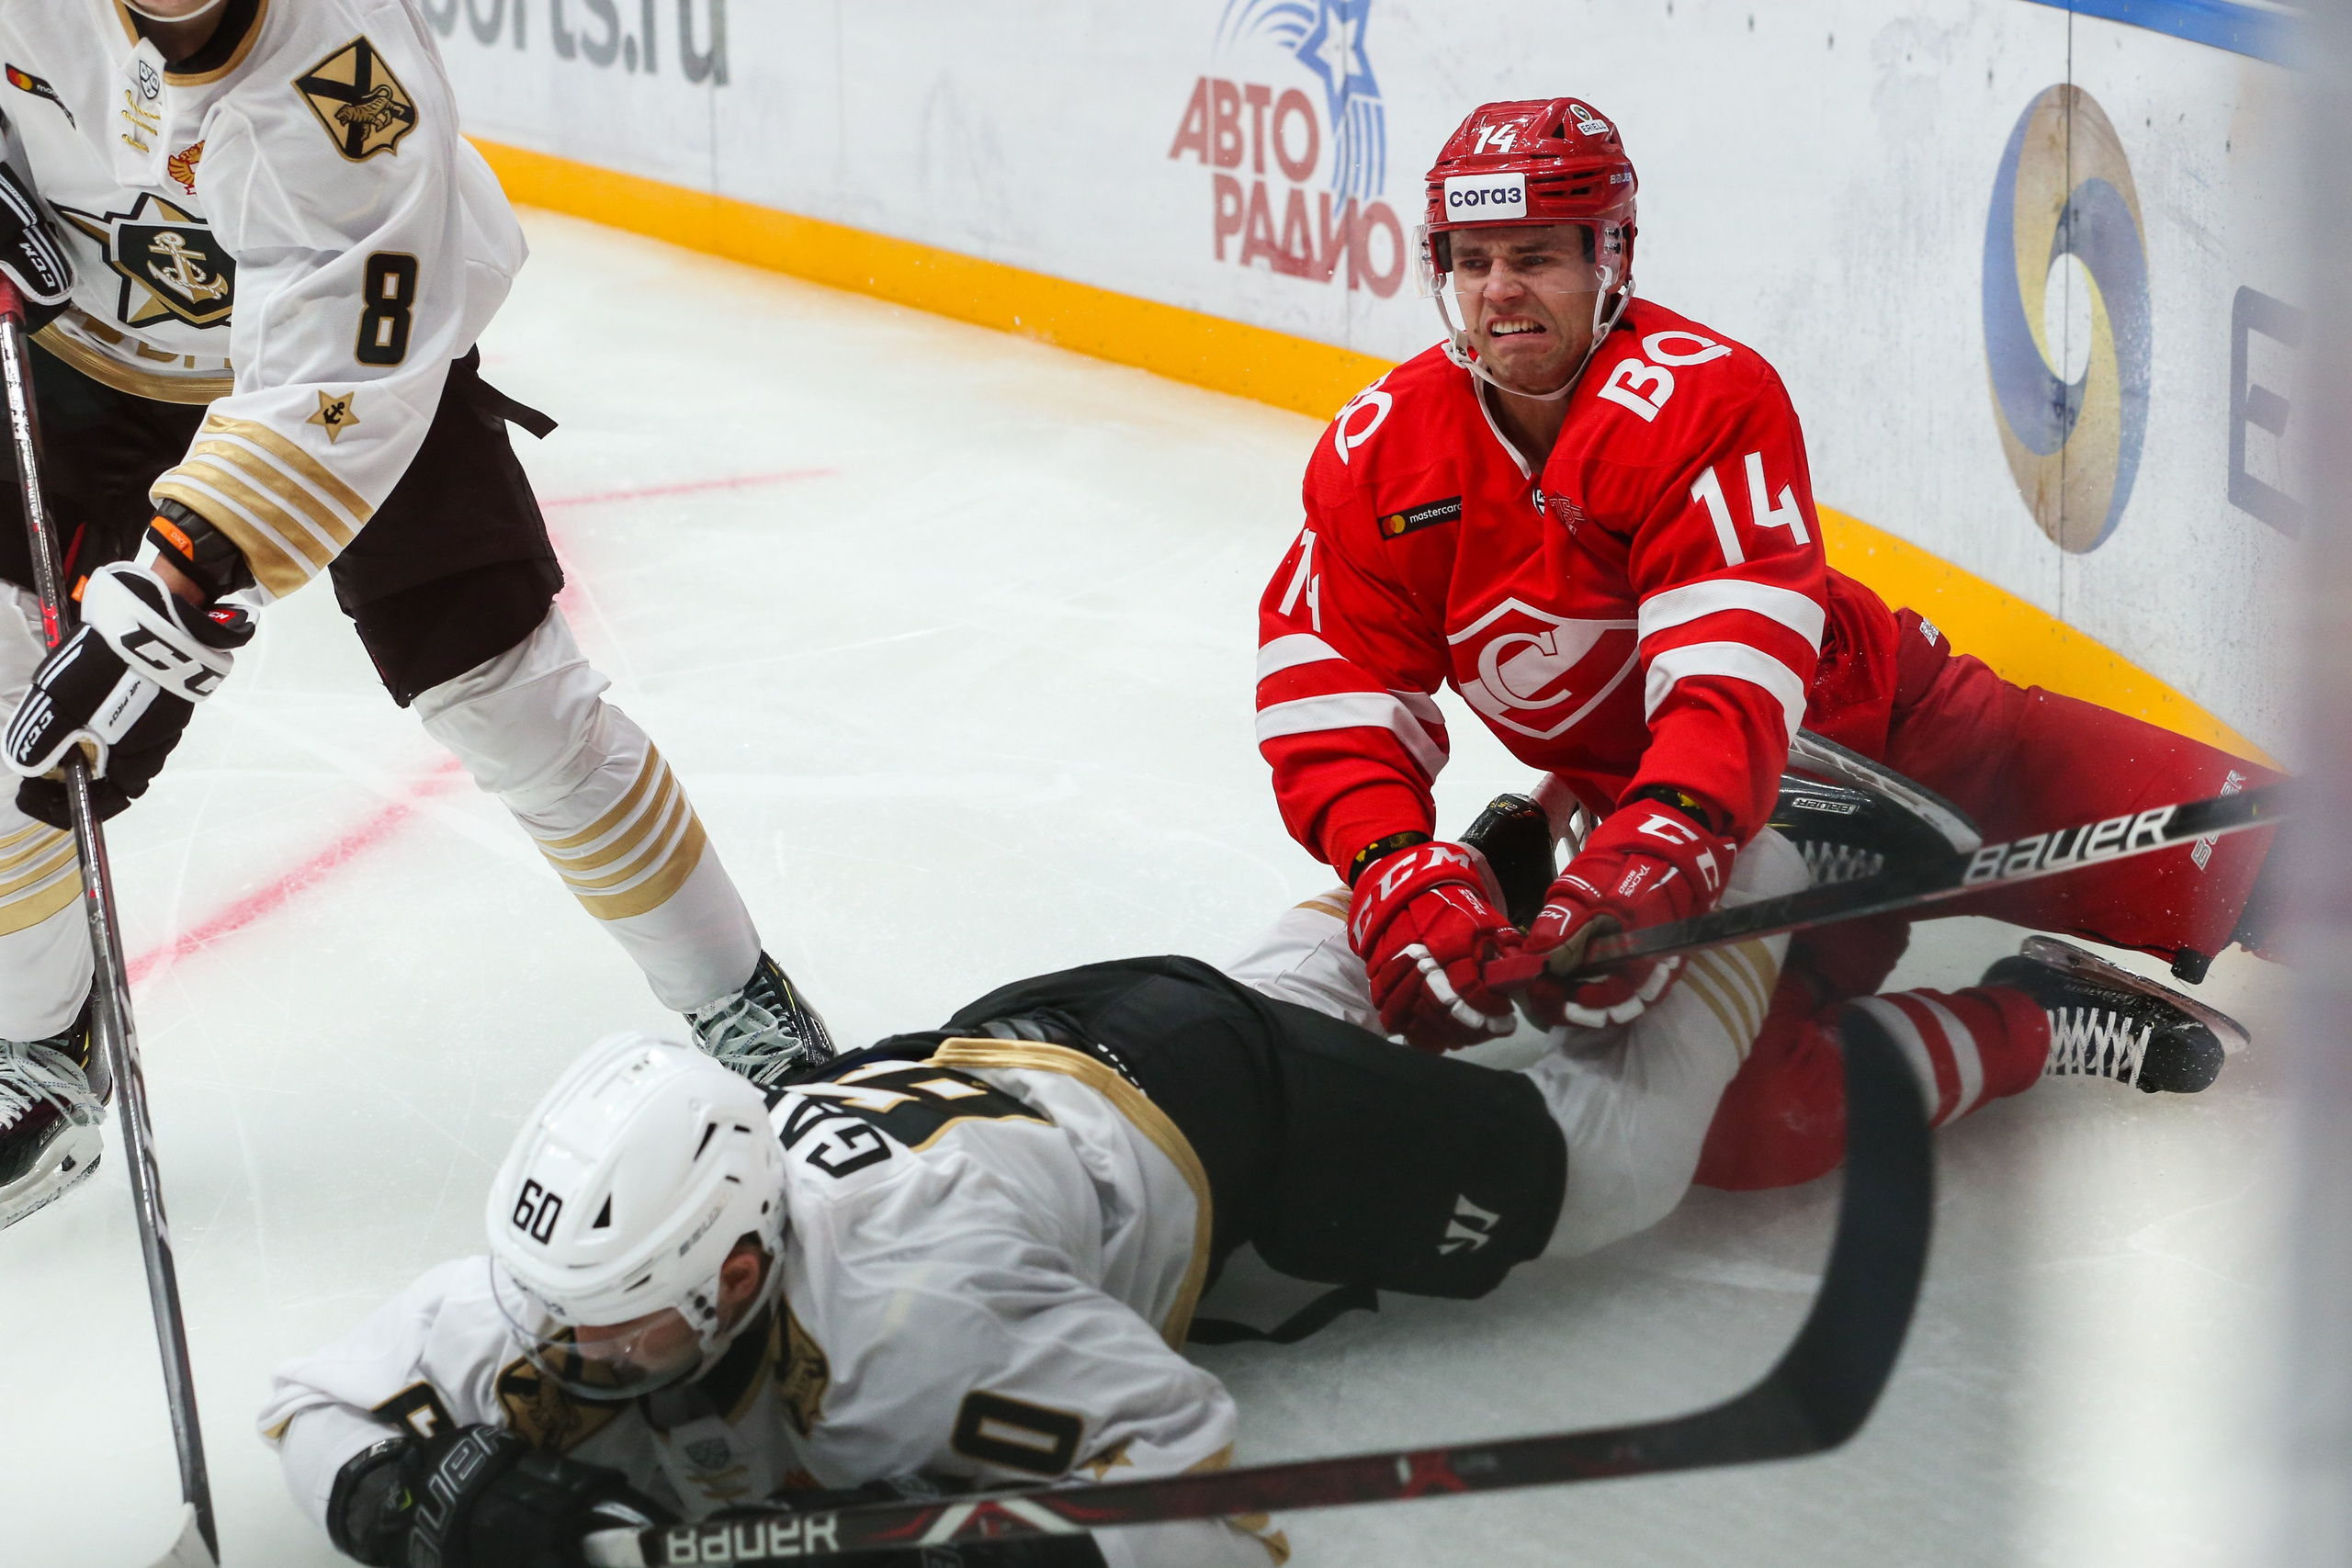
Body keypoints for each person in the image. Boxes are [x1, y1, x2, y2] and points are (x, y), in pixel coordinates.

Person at [257, 835, 2238, 1567]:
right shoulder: (591, 1268)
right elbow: (311, 1403)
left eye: (614, 1331)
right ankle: (1484, 863)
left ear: (745, 1261)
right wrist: (415, 1498)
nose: (568, 1362)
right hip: (1036, 1036)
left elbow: (1184, 1460)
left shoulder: (925, 1323)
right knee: (1278, 996)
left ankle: (1767, 873)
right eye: (562, 1322)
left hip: (1215, 1111)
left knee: (1618, 1168)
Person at [1252, 96, 2281, 1167]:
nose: (1498, 290)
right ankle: (2046, 1014)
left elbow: (1725, 679)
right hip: (1756, 844)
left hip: (1912, 746)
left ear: (1610, 256)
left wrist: (1661, 839)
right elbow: (1329, 687)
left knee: (2294, 877)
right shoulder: (1381, 456)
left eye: (1535, 257)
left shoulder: (1699, 399)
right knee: (1738, 1126)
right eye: (1471, 261)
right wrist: (1390, 863)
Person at [0, 0, 828, 1233]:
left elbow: (338, 381)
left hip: (335, 378)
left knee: (515, 703)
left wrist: (173, 602)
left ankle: (745, 1006)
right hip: (82, 358)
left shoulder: (347, 68)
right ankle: (43, 1038)